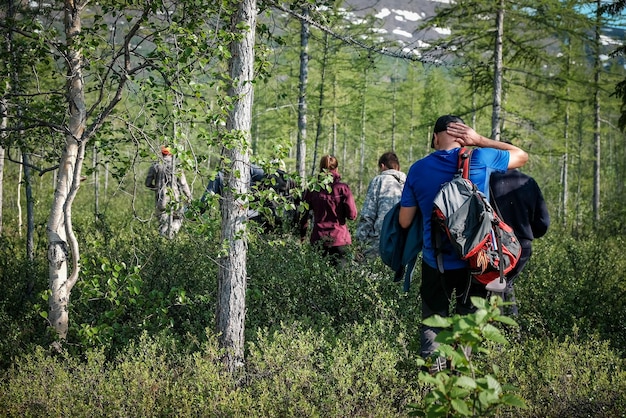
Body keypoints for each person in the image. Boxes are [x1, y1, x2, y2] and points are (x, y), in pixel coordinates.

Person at [398, 115, 528, 371]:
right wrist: (480, 140)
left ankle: (433, 381)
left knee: (434, 321)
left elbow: (404, 222)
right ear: (462, 134)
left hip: (435, 261)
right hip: (476, 261)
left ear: (436, 137)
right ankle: (459, 374)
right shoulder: (481, 158)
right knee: (468, 320)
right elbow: (521, 156)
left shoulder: (417, 169)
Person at [490, 168, 550, 316]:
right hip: (522, 246)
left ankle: (498, 332)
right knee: (505, 284)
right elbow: (543, 222)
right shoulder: (528, 182)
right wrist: (528, 234)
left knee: (496, 286)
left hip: (494, 245)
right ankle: (511, 332)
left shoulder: (488, 180)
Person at [299, 154, 358, 267]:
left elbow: (303, 215)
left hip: (318, 240)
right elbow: (352, 215)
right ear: (336, 168)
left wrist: (302, 236)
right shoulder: (343, 188)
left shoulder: (312, 188)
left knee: (316, 280)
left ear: (320, 168)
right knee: (341, 279)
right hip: (340, 239)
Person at [355, 151, 406, 259]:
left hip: (378, 242)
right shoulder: (406, 183)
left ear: (382, 166)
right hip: (401, 242)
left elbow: (368, 215)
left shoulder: (378, 181)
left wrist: (359, 243)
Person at [145, 146, 192, 238]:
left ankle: (163, 243)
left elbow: (147, 183)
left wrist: (157, 188)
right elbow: (183, 184)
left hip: (161, 201)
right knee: (178, 219)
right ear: (172, 154)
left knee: (163, 225)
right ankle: (172, 235)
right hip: (175, 200)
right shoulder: (176, 166)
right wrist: (189, 196)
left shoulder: (155, 166)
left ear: (162, 154)